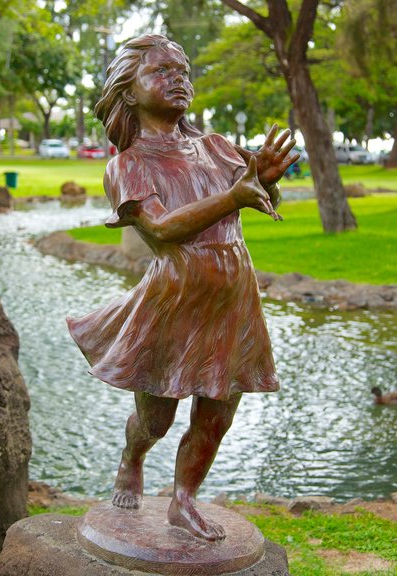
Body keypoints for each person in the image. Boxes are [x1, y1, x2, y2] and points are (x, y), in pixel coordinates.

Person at [67, 34, 298, 542]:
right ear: (127, 93)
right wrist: (233, 196)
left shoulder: (215, 147)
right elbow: (164, 230)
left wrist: (268, 179)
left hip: (234, 292)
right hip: (174, 299)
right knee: (156, 418)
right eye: (161, 72)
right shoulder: (128, 164)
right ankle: (133, 457)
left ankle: (183, 500)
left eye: (183, 70)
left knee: (219, 411)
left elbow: (253, 195)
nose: (179, 79)